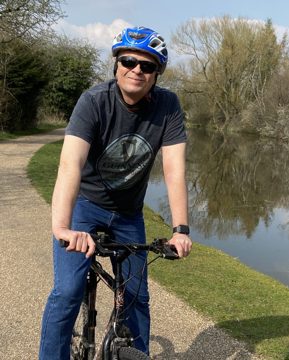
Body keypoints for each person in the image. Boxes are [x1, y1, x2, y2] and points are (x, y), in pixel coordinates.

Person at [39, 26, 192, 359]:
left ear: (156, 74)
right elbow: (70, 165)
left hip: (128, 214)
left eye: (147, 66)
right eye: (128, 61)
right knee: (67, 292)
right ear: (117, 64)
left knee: (137, 296)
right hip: (85, 206)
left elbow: (174, 170)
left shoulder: (168, 106)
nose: (136, 69)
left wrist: (180, 230)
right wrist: (63, 228)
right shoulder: (94, 101)